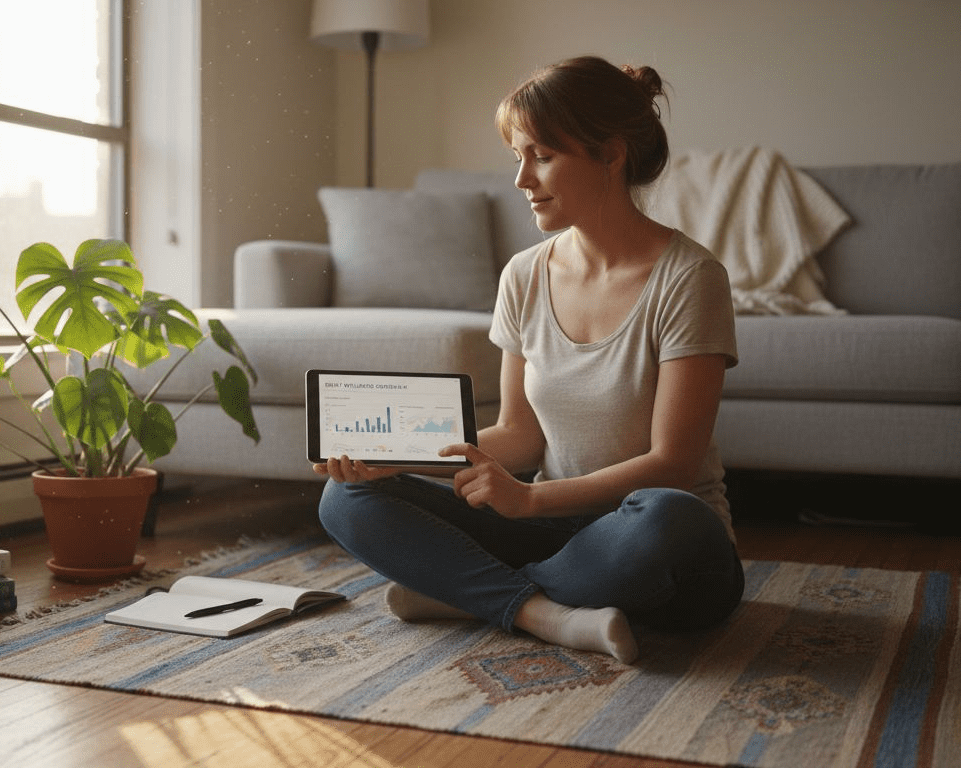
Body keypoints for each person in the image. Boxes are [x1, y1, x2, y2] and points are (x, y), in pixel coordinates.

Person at [313, 56, 743, 665]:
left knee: (669, 517)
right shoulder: (523, 275)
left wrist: (529, 500)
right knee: (345, 499)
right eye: (518, 155)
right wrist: (392, 460)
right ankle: (544, 613)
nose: (520, 178)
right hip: (554, 535)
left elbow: (672, 465)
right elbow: (518, 435)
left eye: (541, 155)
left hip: (657, 545)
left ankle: (467, 594)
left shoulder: (691, 278)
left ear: (611, 154)